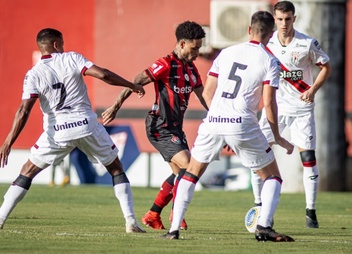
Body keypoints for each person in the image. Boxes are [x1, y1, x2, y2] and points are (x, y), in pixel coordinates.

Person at [0, 28, 146, 233]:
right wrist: (131, 85)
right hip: (86, 126)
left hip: (57, 132)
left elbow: (23, 111)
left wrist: (8, 142)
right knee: (116, 168)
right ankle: (131, 221)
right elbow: (104, 75)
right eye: (62, 43)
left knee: (27, 171)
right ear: (56, 44)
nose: (64, 47)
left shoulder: (33, 74)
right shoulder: (71, 58)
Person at [164, 11, 295, 242]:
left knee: (192, 173)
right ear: (271, 34)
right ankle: (264, 227)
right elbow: (268, 103)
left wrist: (222, 128)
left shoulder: (226, 53)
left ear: (248, 30)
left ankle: (173, 230)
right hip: (242, 123)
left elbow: (207, 93)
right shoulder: (270, 60)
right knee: (272, 177)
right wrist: (277, 136)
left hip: (214, 121)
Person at [102, 21, 208, 230]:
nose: (197, 52)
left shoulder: (191, 68)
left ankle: (153, 214)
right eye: (194, 48)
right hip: (159, 126)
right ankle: (176, 214)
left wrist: (220, 115)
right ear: (182, 43)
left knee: (181, 174)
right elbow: (136, 80)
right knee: (189, 167)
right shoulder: (165, 64)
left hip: (176, 128)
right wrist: (115, 106)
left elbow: (204, 96)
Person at [250, 0, 332, 229]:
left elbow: (326, 67)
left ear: (294, 18)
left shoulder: (307, 43)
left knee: (307, 159)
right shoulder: (267, 43)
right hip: (275, 107)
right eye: (279, 19)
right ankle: (259, 206)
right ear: (274, 20)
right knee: (258, 154)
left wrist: (313, 90)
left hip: (301, 108)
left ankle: (311, 212)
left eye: (288, 19)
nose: (284, 24)